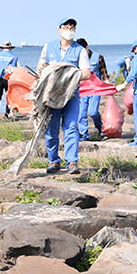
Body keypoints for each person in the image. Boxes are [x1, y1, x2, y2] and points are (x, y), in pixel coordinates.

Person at [36, 17, 91, 174]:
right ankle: (53, 161)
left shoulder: (80, 50)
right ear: (59, 29)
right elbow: (40, 68)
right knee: (51, 129)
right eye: (66, 27)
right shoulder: (49, 47)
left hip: (71, 95)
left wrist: (67, 75)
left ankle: (72, 162)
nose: (69, 30)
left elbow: (86, 73)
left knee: (71, 127)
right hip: (52, 96)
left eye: (72, 27)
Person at [76, 38, 107, 141]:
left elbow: (104, 75)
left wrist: (109, 89)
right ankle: (84, 134)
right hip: (83, 90)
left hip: (96, 90)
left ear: (87, 48)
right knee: (81, 113)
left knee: (93, 112)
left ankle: (101, 128)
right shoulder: (76, 59)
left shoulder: (98, 57)